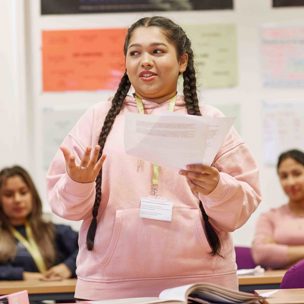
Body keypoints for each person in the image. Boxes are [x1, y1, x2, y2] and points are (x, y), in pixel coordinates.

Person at [47, 16, 261, 301]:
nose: (145, 61)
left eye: (157, 51)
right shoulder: (98, 118)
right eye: (135, 53)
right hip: (109, 285)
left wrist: (216, 187)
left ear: (182, 61)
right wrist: (79, 182)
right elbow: (65, 206)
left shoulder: (209, 120)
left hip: (202, 284)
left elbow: (241, 209)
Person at [0, 165, 78, 281]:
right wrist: (22, 275)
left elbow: (89, 247)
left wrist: (68, 266)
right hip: (18, 298)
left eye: (23, 192)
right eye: (8, 194)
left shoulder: (55, 231)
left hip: (61, 297)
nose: (17, 200)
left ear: (33, 195)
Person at [252, 149, 304, 269]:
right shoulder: (269, 217)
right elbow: (260, 254)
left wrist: (278, 248)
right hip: (281, 284)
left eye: (297, 173)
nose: (290, 182)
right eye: (284, 176)